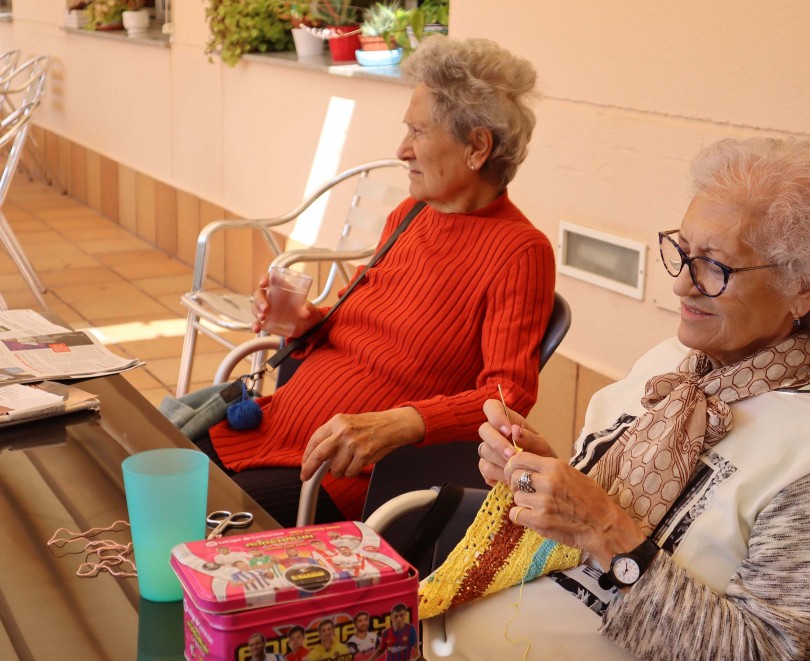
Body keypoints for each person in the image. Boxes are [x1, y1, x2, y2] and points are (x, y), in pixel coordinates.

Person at [423, 137, 810, 661]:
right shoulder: (672, 363)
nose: (680, 286)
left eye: (715, 267)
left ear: (806, 286)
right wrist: (541, 475)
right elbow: (595, 519)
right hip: (452, 637)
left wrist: (605, 530)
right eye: (683, 252)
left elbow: (759, 654)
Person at [195, 35, 554, 527]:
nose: (402, 149)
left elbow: (509, 397)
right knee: (136, 467)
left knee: (183, 520)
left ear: (477, 147)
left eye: (418, 132)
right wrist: (307, 322)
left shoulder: (519, 252)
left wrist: (402, 421)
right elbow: (359, 319)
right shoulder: (408, 215)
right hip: (275, 427)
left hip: (344, 477)